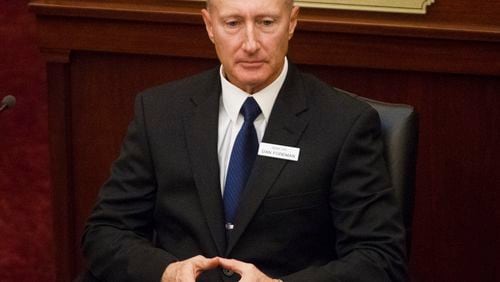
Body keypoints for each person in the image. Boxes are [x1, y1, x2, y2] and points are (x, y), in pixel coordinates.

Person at [82, 0, 408, 281]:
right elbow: (105, 233)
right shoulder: (160, 113)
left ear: (291, 23)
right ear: (210, 26)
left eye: (266, 22)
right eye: (233, 23)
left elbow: (379, 257)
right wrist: (166, 272)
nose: (250, 43)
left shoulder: (344, 123)